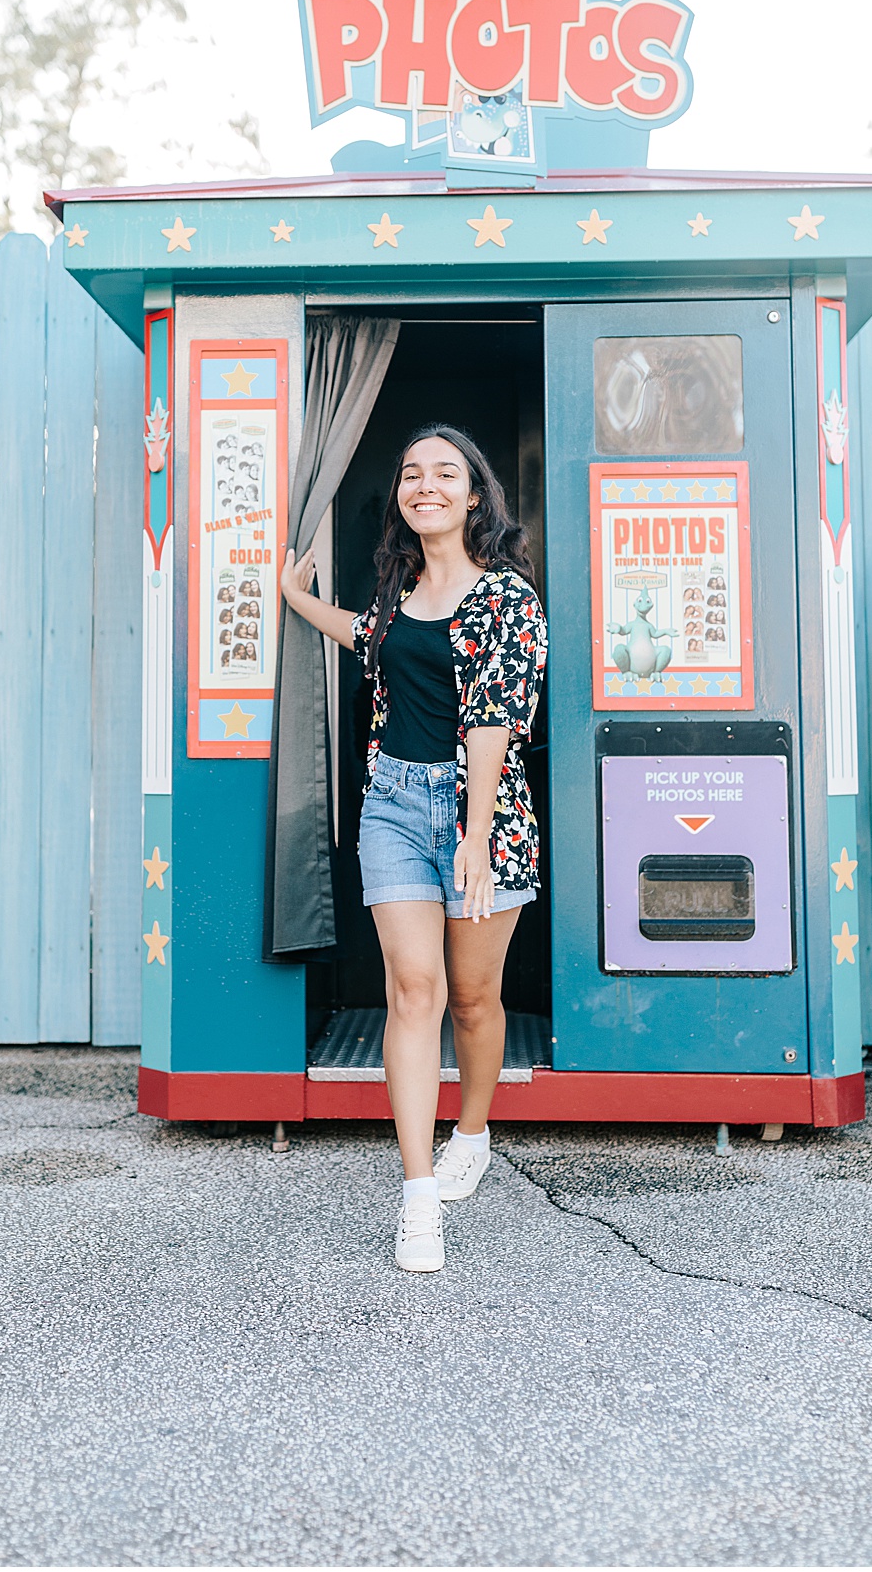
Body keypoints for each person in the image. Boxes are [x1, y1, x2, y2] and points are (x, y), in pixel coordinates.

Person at [280, 424, 547, 1273]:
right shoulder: (397, 591)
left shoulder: (508, 598)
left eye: (444, 473)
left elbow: (496, 721)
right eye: (409, 473)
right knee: (414, 989)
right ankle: (419, 1194)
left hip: (484, 815)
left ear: (475, 496)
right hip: (393, 803)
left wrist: (473, 836)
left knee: (472, 998)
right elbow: (368, 637)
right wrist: (298, 602)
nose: (423, 484)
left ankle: (473, 1126)